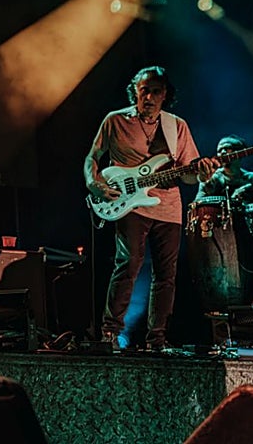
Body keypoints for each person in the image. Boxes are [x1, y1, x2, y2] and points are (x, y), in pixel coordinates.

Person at [84, 65, 216, 352]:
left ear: (164, 94)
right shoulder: (115, 120)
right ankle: (110, 332)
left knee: (166, 274)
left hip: (168, 208)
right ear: (135, 90)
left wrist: (202, 174)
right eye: (145, 90)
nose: (150, 96)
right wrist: (93, 183)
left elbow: (186, 173)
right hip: (129, 204)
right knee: (129, 263)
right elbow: (92, 157)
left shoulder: (176, 126)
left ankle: (157, 339)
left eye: (156, 91)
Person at [195, 135, 253, 210]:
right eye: (219, 150)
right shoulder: (211, 179)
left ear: (240, 153)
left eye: (227, 148)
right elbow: (197, 206)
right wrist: (233, 201)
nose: (223, 152)